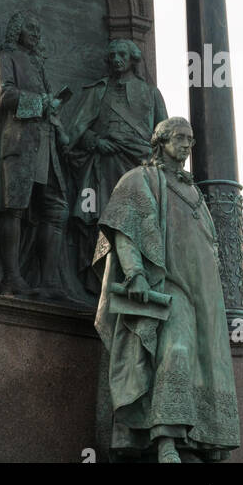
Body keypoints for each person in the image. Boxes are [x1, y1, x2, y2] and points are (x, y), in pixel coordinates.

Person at [94, 117, 240, 463]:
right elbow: (124, 232)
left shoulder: (193, 191)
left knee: (208, 362)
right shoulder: (139, 180)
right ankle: (166, 441)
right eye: (181, 138)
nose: (188, 145)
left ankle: (207, 440)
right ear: (160, 142)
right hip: (168, 286)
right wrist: (136, 276)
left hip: (205, 293)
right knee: (176, 349)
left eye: (191, 139)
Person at [63, 40, 167, 296]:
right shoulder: (99, 90)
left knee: (139, 222)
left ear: (133, 59)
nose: (116, 59)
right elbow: (76, 130)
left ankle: (136, 276)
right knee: (98, 218)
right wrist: (96, 142)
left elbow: (163, 135)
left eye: (122, 55)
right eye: (112, 56)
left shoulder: (151, 94)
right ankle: (101, 278)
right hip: (103, 167)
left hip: (139, 168)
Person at [0, 12, 70, 301]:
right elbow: (3, 95)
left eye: (37, 30)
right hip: (17, 142)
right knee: (14, 208)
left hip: (46, 145)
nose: (36, 34)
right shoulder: (5, 58)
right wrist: (42, 102)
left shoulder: (36, 63)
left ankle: (49, 279)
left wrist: (53, 109)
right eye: (31, 28)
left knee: (56, 209)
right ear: (17, 29)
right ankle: (12, 276)